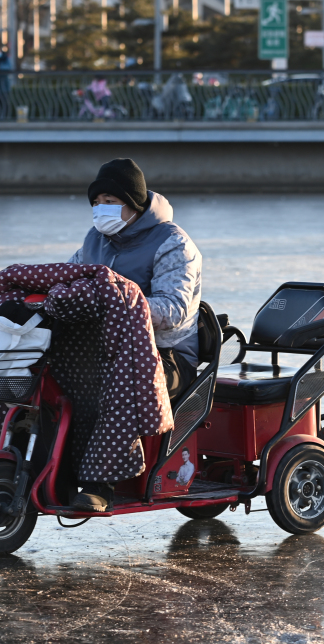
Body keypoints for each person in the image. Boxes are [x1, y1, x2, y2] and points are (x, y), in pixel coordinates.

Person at [69, 158, 202, 512]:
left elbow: (174, 309)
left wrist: (121, 305)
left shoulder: (173, 243)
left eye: (110, 201)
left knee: (119, 382)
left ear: (134, 203)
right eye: (96, 203)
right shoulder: (95, 240)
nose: (101, 210)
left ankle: (101, 482)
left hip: (167, 355)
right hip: (105, 347)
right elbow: (68, 281)